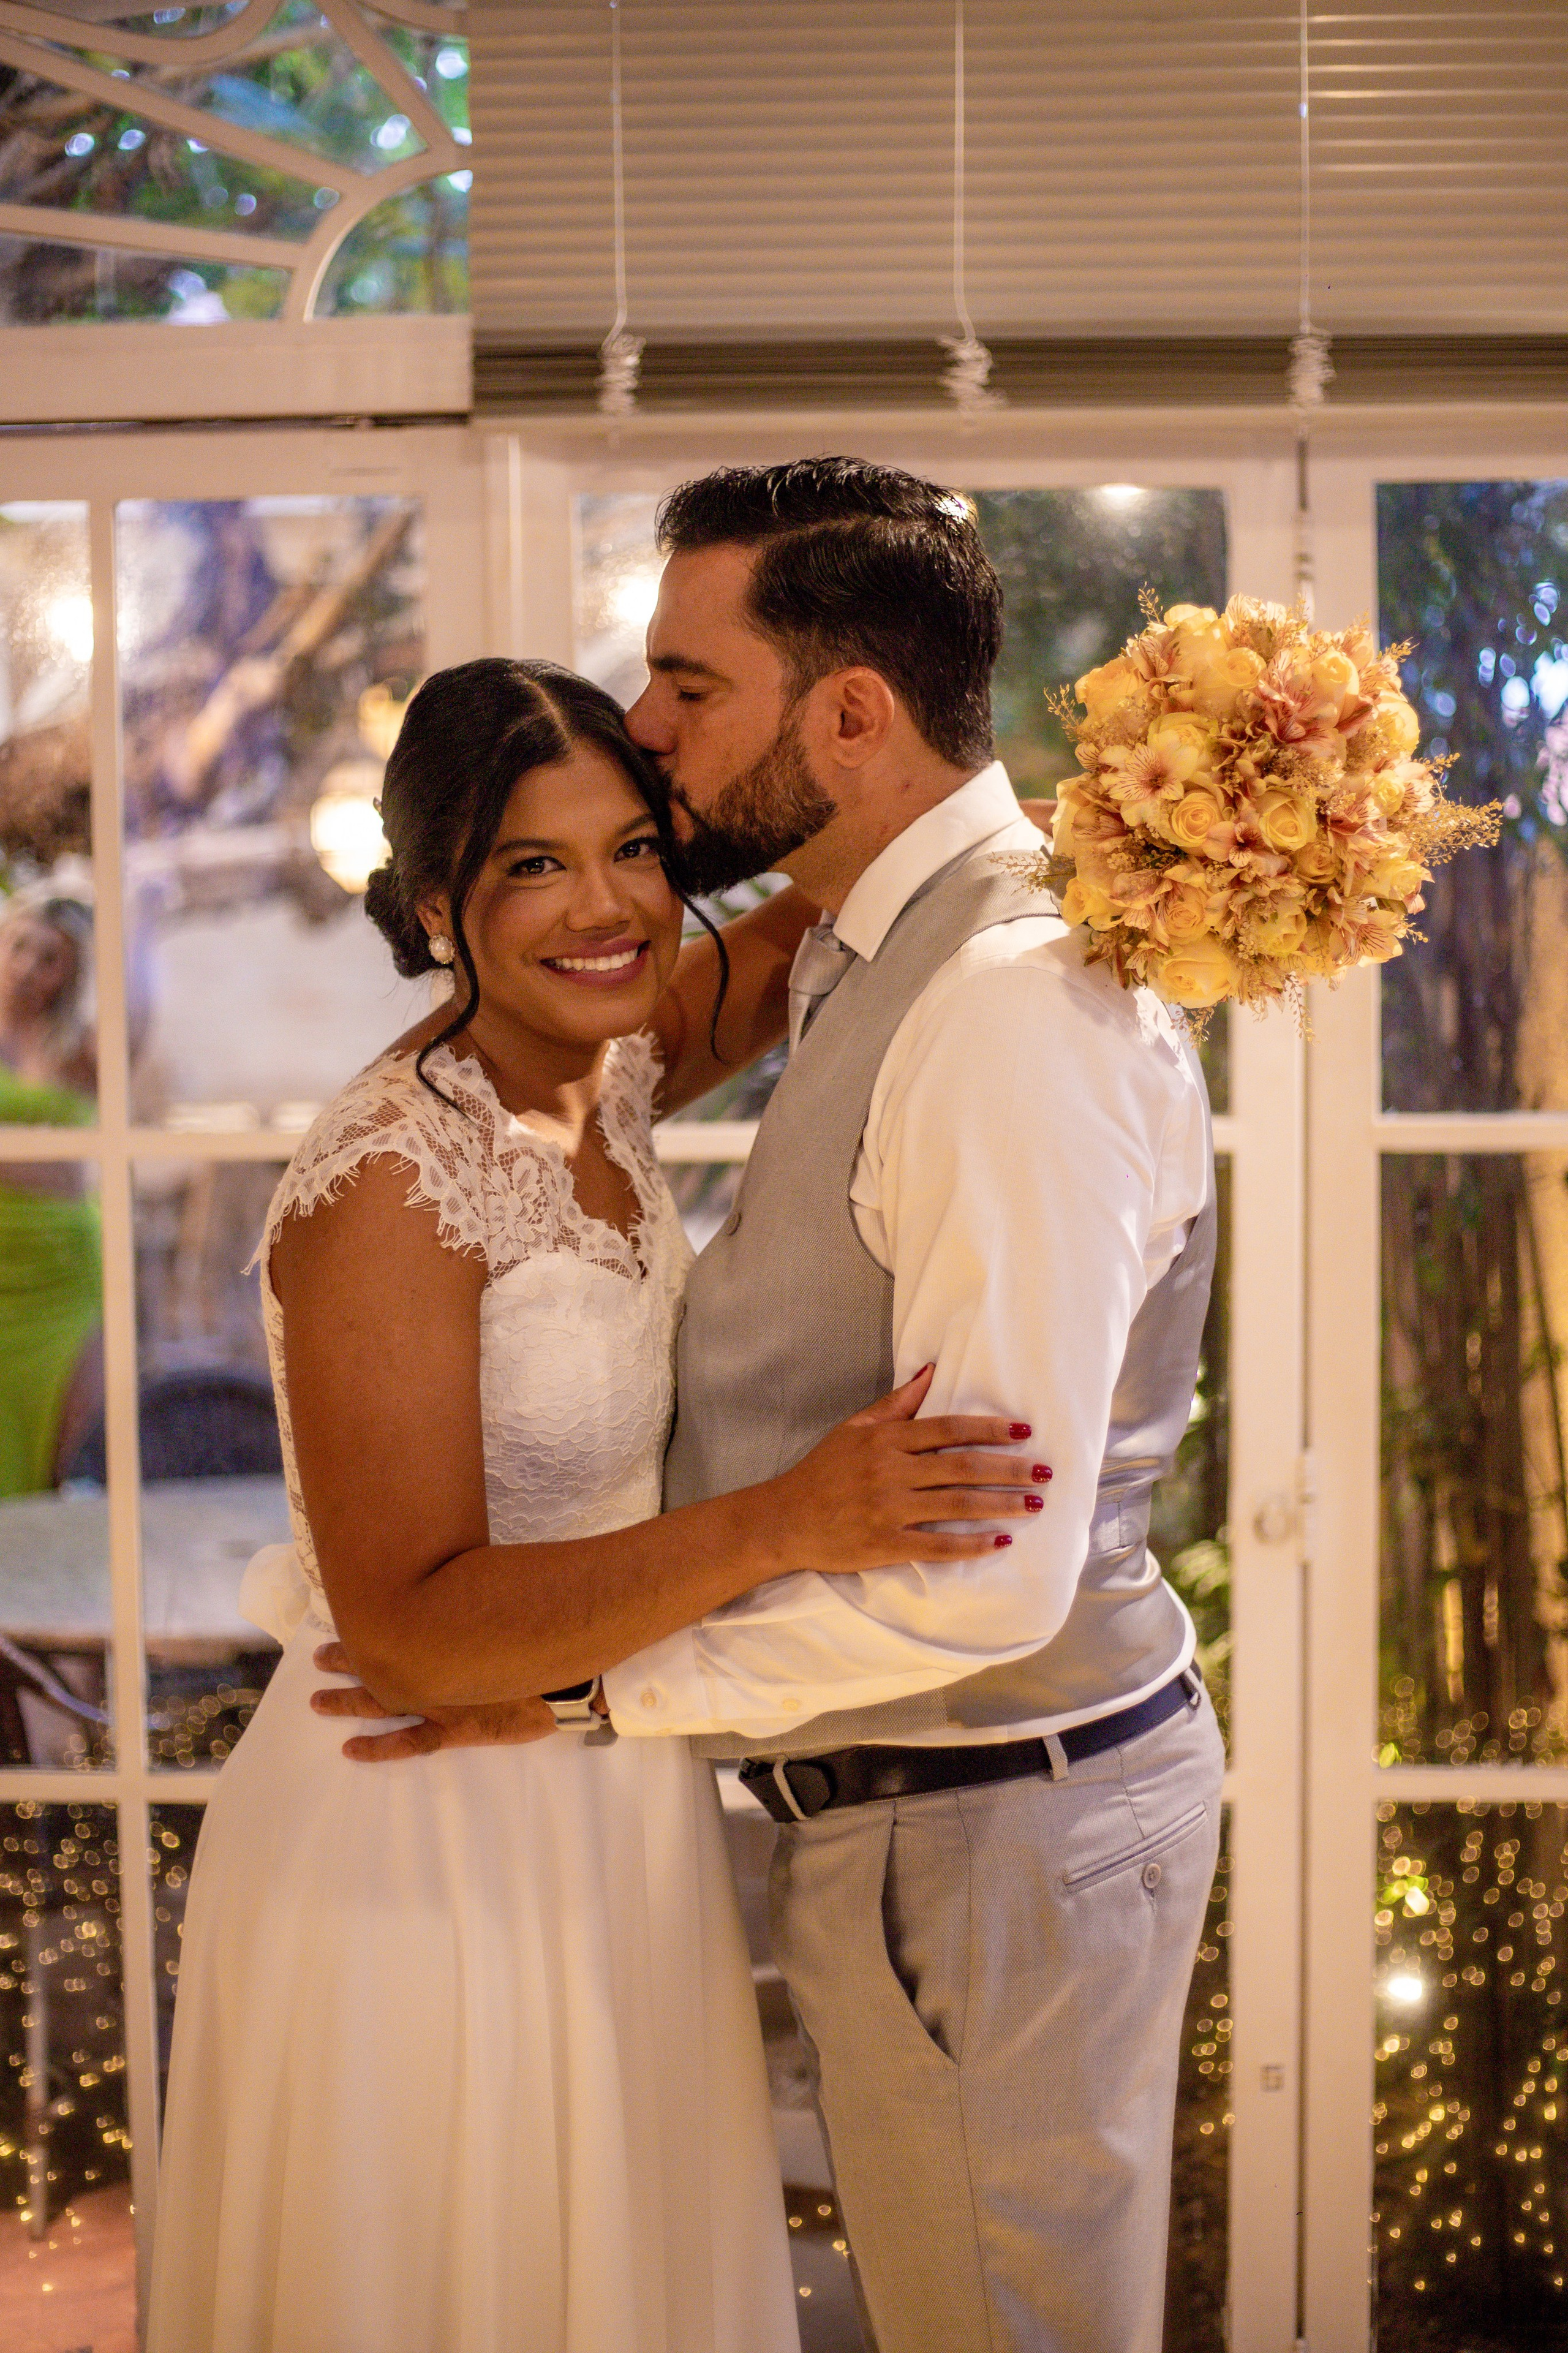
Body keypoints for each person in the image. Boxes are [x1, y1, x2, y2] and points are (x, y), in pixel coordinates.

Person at [322, 461, 1226, 2353]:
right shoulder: (854, 944)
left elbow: (989, 1576)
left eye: (685, 683)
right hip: (914, 1815)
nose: (645, 730)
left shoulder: (999, 999)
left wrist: (587, 1697)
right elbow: (550, 1027)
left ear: (848, 715)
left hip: (986, 1817)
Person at [146, 657, 1039, 2353]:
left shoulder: (603, 1061)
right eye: (533, 867)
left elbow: (827, 909)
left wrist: (1058, 826)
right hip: (419, 1833)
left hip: (605, 1793)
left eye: (633, 848)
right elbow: (408, 1636)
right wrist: (783, 1520)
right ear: (436, 903)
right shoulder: (393, 1182)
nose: (606, 907)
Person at [0, 888, 102, 1494]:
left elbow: (136, 1027)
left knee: (65, 1446)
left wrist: (144, 912)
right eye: (19, 947)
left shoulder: (74, 1047)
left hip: (60, 1269)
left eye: (49, 959)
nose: (27, 968)